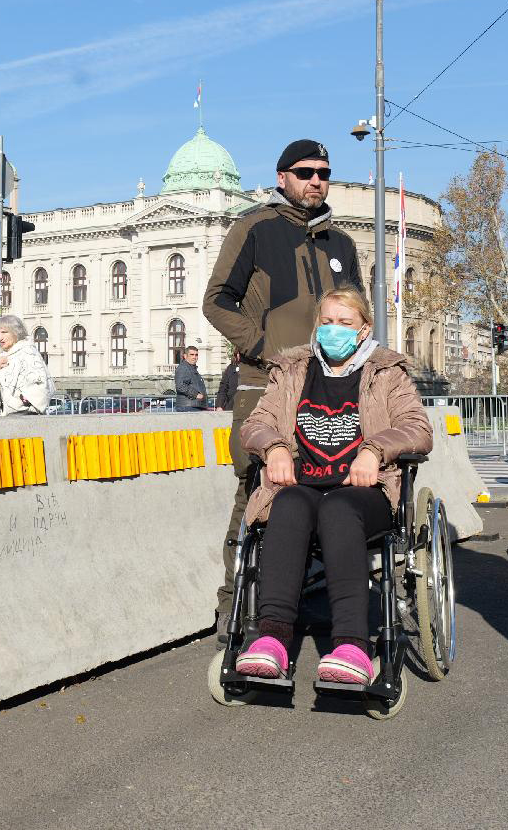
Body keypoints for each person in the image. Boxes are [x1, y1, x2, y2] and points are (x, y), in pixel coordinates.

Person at [203, 138, 363, 642]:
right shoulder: (255, 228)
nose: (316, 180)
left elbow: (360, 313)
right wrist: (263, 347)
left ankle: (319, 597)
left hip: (333, 384)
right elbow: (216, 301)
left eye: (323, 172)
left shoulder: (342, 244)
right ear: (282, 178)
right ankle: (234, 611)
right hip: (266, 382)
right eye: (304, 171)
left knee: (334, 484)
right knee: (258, 487)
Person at [233, 287, 432, 685]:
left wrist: (375, 450)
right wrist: (273, 447)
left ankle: (351, 646)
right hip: (303, 483)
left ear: (363, 330)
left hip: (365, 490)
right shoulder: (291, 370)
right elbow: (255, 424)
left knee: (338, 509)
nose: (334, 330)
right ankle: (271, 639)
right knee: (286, 504)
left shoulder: (387, 373)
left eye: (344, 323)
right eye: (326, 322)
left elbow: (417, 430)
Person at [0, 315, 50, 416]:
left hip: (22, 417)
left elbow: (41, 385)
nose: (0, 337)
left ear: (16, 332)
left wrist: (15, 403)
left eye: (4, 332)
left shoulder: (28, 352)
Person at [173, 345, 207, 411]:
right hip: (188, 407)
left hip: (193, 405)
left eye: (196, 355)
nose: (194, 357)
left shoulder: (191, 368)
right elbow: (180, 386)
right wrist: (196, 394)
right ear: (185, 356)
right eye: (192, 354)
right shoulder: (183, 368)